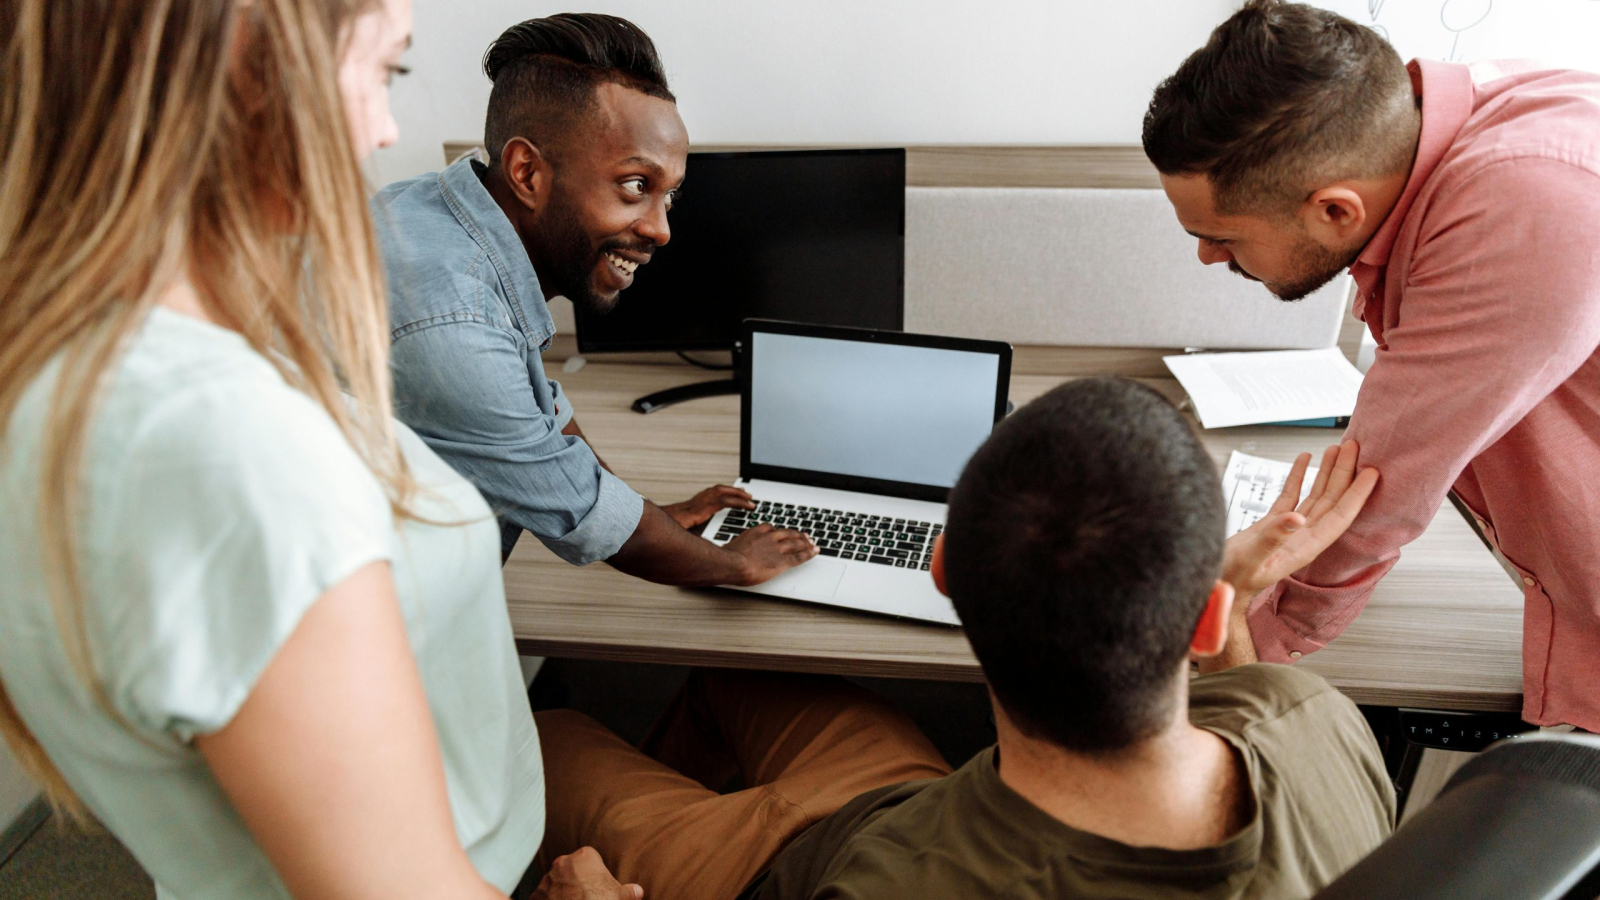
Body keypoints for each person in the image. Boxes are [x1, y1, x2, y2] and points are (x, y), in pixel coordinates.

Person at [0, 2, 627, 897]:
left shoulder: (87, 362)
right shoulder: (227, 451)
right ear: (247, 63)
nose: (385, 129)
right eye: (384, 71)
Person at [531, 378, 1391, 900]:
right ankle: (681, 812)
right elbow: (1244, 695)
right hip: (915, 807)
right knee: (733, 681)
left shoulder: (896, 889)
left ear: (943, 572)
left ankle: (673, 853)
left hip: (791, 869)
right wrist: (1227, 606)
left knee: (552, 734)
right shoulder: (1313, 719)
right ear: (1205, 619)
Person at [1141, 0, 1600, 728]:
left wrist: (1224, 649)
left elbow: (1377, 489)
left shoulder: (1525, 206)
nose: (1206, 256)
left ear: (1335, 210)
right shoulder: (1448, 126)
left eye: (1223, 236)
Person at [371, 14, 814, 587]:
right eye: (635, 185)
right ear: (527, 172)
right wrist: (737, 564)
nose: (661, 230)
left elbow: (541, 420)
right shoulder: (457, 322)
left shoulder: (430, 210)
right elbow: (586, 518)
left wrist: (651, 515)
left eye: (669, 196)